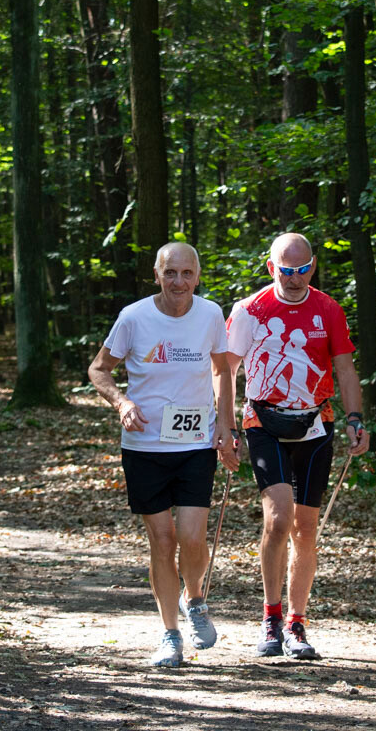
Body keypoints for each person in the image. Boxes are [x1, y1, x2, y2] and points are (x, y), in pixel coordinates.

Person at [88, 242, 238, 667]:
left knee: (191, 537)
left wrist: (226, 425)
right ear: (157, 275)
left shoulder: (210, 314)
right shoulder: (133, 317)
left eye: (187, 273)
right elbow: (99, 369)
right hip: (145, 447)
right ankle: (170, 634)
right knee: (163, 539)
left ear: (198, 276)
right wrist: (122, 403)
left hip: (194, 445)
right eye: (170, 273)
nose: (179, 282)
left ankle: (196, 599)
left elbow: (221, 369)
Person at [225, 232, 370, 660]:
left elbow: (345, 369)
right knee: (278, 519)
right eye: (286, 270)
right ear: (272, 267)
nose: (295, 278)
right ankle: (270, 618)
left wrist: (355, 419)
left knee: (306, 529)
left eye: (303, 269)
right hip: (263, 421)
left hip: (316, 422)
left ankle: (296, 623)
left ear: (313, 266)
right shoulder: (250, 311)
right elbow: (226, 371)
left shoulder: (328, 309)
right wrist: (225, 425)